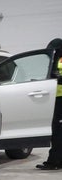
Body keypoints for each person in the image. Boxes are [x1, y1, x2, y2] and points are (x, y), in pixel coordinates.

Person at [36, 38, 62, 169]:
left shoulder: (59, 60)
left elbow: (58, 76)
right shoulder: (56, 60)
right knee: (57, 131)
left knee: (58, 132)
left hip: (61, 99)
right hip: (56, 99)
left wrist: (58, 78)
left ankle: (54, 161)